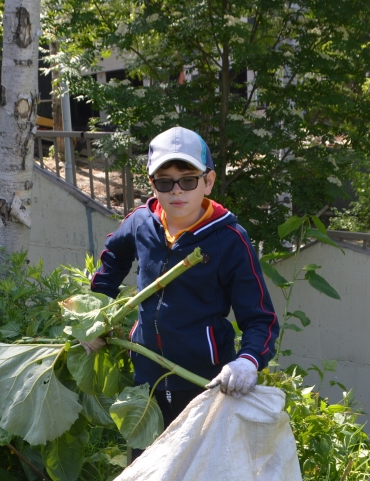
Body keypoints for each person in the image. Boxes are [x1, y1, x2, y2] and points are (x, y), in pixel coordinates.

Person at [83, 126, 278, 431]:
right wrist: (94, 314)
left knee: (197, 472)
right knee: (147, 466)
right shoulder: (140, 222)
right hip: (145, 376)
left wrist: (248, 360)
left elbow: (260, 319)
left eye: (188, 180)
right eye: (165, 181)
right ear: (153, 184)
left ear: (208, 182)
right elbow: (113, 259)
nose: (176, 191)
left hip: (204, 381)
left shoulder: (229, 240)